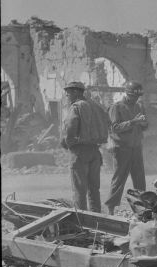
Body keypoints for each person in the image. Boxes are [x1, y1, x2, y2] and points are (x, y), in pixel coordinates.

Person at [61, 81, 107, 212]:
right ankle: (96, 219)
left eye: (68, 93)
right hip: (95, 151)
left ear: (76, 92)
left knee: (79, 190)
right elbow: (107, 123)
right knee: (94, 188)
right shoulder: (96, 106)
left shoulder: (76, 106)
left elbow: (70, 127)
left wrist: (68, 143)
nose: (67, 96)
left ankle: (81, 221)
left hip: (80, 152)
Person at [104, 81, 148, 216]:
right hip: (122, 148)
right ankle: (110, 208)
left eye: (137, 97)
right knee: (119, 179)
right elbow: (114, 128)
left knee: (139, 179)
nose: (135, 99)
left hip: (136, 147)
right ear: (126, 94)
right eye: (133, 96)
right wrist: (133, 122)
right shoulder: (116, 107)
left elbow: (144, 126)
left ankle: (141, 209)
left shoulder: (139, 106)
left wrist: (144, 123)